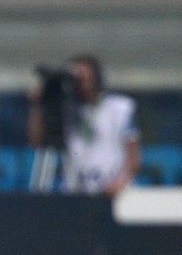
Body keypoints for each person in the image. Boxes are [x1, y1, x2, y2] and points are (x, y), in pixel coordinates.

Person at [27, 55, 140, 196]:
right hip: (76, 191)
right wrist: (39, 103)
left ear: (96, 78)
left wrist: (120, 182)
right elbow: (37, 140)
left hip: (113, 190)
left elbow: (134, 157)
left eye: (85, 76)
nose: (81, 82)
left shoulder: (119, 108)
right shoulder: (66, 111)